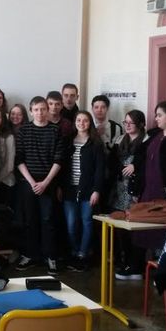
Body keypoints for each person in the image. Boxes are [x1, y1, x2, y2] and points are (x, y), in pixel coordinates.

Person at [116, 102, 166, 281]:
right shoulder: (155, 135)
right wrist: (136, 186)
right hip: (149, 190)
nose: (156, 118)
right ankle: (137, 268)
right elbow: (142, 159)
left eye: (159, 115)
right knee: (141, 230)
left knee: (164, 233)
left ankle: (165, 274)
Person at [14, 96, 63, 274]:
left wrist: (45, 183)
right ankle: (29, 255)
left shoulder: (55, 130)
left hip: (48, 182)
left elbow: (59, 159)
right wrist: (33, 182)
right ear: (31, 110)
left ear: (47, 110)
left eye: (43, 109)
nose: (40, 113)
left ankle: (50, 257)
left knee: (48, 220)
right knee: (29, 220)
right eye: (36, 109)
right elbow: (19, 159)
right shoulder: (24, 130)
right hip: (28, 181)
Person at [62, 111, 105, 272]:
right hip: (69, 189)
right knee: (71, 224)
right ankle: (74, 251)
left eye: (85, 120)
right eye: (79, 120)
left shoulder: (95, 143)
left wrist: (97, 191)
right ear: (75, 122)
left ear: (90, 123)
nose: (81, 123)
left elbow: (100, 170)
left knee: (87, 222)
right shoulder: (68, 141)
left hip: (88, 190)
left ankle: (83, 254)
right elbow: (62, 166)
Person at [109, 110, 147, 273]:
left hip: (136, 189)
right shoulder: (119, 140)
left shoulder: (146, 141)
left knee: (134, 227)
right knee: (119, 226)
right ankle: (121, 258)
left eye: (131, 123)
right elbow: (112, 162)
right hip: (119, 188)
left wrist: (136, 167)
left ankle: (134, 263)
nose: (128, 126)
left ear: (140, 124)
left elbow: (148, 165)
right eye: (125, 122)